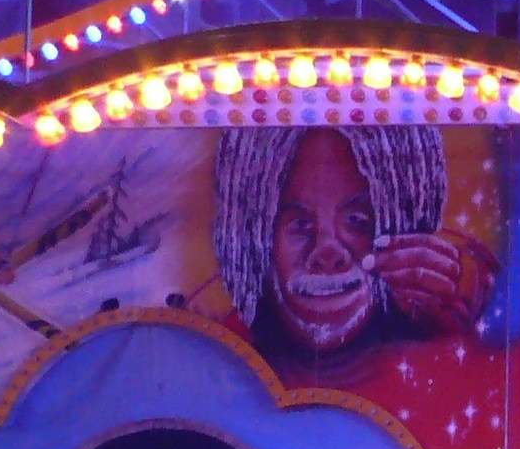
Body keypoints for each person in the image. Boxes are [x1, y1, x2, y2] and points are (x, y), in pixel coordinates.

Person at [212, 126, 495, 376]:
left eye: (357, 221)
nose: (327, 252)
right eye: (300, 224)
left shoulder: (450, 339)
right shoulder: (220, 359)